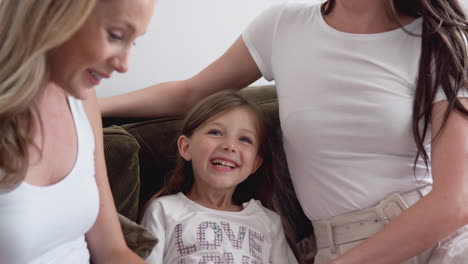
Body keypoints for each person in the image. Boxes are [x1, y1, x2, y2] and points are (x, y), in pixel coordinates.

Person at [100, 0, 468, 263]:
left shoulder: (443, 41)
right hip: (339, 244)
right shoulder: (282, 25)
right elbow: (192, 92)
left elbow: (456, 201)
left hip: (435, 236)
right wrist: (87, 104)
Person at [0, 0, 155, 263]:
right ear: (54, 12)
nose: (124, 64)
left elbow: (112, 250)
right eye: (116, 35)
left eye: (134, 41)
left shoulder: (82, 101)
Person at [140, 91, 299, 264]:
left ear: (255, 164)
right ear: (186, 147)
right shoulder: (163, 211)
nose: (229, 146)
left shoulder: (268, 222)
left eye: (245, 139)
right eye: (216, 133)